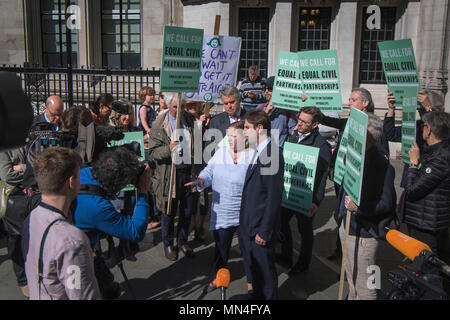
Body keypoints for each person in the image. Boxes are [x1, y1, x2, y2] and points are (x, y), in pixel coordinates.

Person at [185, 121, 255, 294]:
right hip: (223, 211)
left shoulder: (254, 156)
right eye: (228, 135)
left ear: (244, 137)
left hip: (244, 212)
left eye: (234, 136)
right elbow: (208, 172)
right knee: (221, 247)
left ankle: (252, 283)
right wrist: (201, 180)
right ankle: (218, 277)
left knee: (248, 249)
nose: (230, 139)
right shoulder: (221, 153)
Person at [21, 147, 100, 300]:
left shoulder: (31, 218)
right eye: (78, 176)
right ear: (71, 182)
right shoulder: (71, 240)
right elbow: (83, 296)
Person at [72, 147, 151, 299]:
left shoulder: (84, 172)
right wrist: (142, 191)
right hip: (78, 261)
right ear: (118, 184)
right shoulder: (98, 207)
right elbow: (135, 232)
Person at [335, 114, 396, 300]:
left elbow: (386, 203)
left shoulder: (380, 163)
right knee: (352, 283)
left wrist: (358, 209)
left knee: (367, 287)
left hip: (365, 235)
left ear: (367, 136)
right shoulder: (356, 157)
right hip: (348, 227)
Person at [278, 107, 331, 275]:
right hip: (288, 193)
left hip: (306, 197)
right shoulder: (293, 136)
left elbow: (322, 178)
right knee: (281, 222)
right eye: (299, 119)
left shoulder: (321, 146)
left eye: (304, 122)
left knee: (305, 232)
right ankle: (286, 255)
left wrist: (316, 201)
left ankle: (303, 264)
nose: (299, 123)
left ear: (315, 125)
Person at [238, 110, 284, 300]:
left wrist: (264, 231)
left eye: (247, 128)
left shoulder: (272, 154)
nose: (244, 132)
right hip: (250, 225)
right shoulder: (259, 151)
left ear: (259, 128)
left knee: (265, 275)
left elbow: (273, 197)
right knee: (256, 272)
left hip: (260, 229)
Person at [148, 93, 197, 261]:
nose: (179, 110)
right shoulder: (158, 125)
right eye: (176, 107)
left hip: (187, 172)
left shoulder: (190, 120)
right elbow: (153, 153)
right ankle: (168, 243)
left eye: (182, 106)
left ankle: (182, 241)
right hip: (170, 174)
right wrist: (168, 149)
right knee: (168, 211)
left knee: (187, 210)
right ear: (169, 106)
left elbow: (197, 144)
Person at [403, 111, 450, 266]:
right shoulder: (434, 151)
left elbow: (412, 191)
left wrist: (413, 164)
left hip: (427, 225)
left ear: (428, 129)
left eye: (422, 126)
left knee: (428, 270)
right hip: (422, 220)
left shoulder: (441, 158)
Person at [0, 146, 29, 297]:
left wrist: (22, 167)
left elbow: (34, 162)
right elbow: (7, 175)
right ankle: (22, 279)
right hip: (12, 195)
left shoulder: (24, 139)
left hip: (28, 192)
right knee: (15, 238)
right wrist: (29, 171)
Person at [185, 100, 210, 241]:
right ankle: (193, 225)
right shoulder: (185, 119)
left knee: (203, 195)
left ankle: (201, 226)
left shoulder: (207, 117)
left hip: (203, 164)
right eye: (191, 104)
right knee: (193, 195)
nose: (194, 107)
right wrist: (198, 126)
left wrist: (206, 126)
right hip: (190, 164)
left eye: (197, 104)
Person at [257, 76, 297, 147]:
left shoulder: (288, 110)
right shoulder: (260, 108)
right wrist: (266, 113)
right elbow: (253, 129)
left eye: (269, 89)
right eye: (264, 88)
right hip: (262, 151)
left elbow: (293, 132)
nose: (266, 91)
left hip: (279, 152)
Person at [207, 86, 246, 157]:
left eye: (232, 102)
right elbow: (210, 149)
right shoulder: (216, 121)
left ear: (239, 100)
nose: (229, 106)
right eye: (226, 103)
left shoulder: (250, 118)